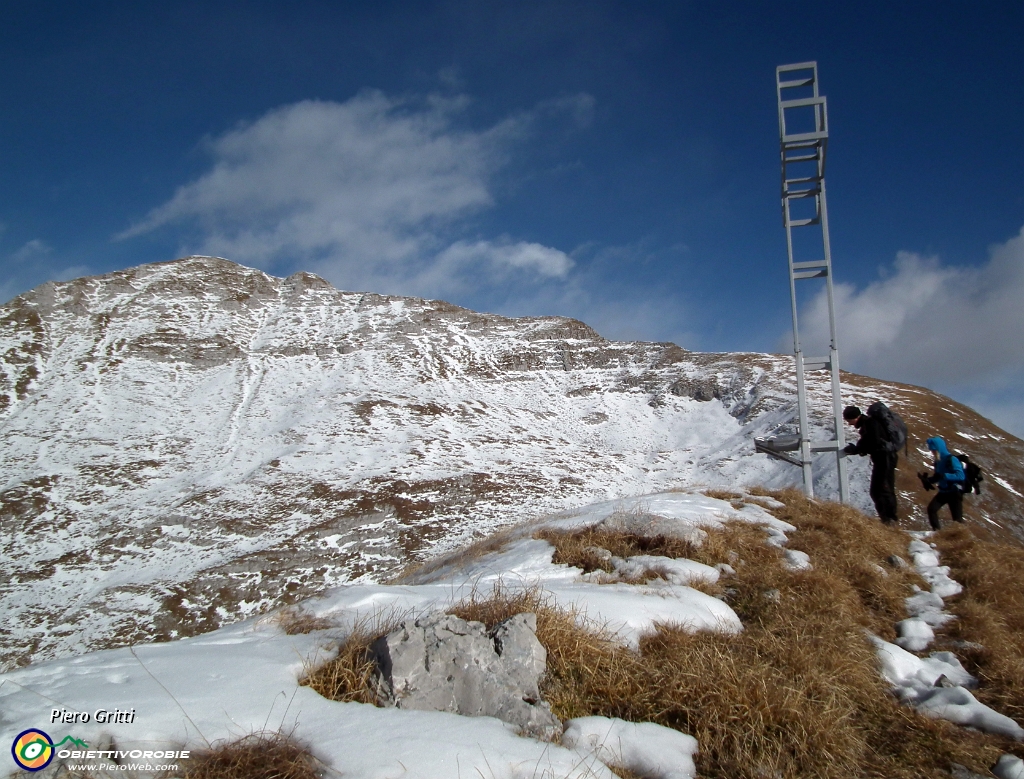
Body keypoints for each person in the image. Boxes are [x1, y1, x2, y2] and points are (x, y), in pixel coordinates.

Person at [842, 405, 899, 524]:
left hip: (885, 459)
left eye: (849, 420)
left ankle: (890, 520)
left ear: (855, 417)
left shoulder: (870, 424)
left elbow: (874, 442)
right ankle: (886, 519)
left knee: (883, 489)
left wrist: (857, 449)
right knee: (877, 490)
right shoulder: (868, 424)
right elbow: (871, 442)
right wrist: (858, 449)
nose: (849, 424)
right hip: (883, 459)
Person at [918, 436, 966, 530]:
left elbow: (961, 476)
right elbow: (938, 477)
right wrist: (928, 480)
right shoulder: (938, 462)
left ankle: (963, 539)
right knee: (931, 509)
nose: (932, 452)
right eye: (932, 450)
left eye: (934, 450)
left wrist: (945, 476)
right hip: (943, 492)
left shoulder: (951, 459)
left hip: (954, 493)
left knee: (957, 520)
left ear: (939, 449)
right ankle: (937, 533)